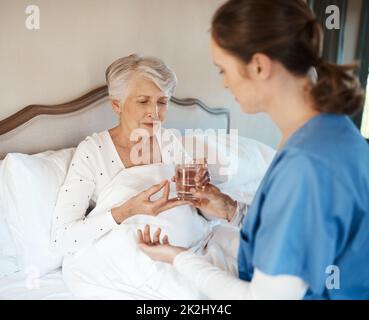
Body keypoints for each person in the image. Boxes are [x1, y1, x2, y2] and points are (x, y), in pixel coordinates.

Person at [138, 0, 369, 300]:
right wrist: (232, 211)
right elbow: (300, 232)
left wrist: (177, 256)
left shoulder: (306, 164)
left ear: (259, 66)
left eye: (223, 69)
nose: (223, 83)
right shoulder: (330, 128)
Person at [51, 54, 210, 255]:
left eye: (162, 102)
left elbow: (196, 210)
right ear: (117, 105)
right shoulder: (93, 152)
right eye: (143, 101)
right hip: (130, 255)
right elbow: (62, 239)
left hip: (189, 247)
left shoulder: (168, 141)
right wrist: (126, 211)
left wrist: (203, 191)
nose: (155, 112)